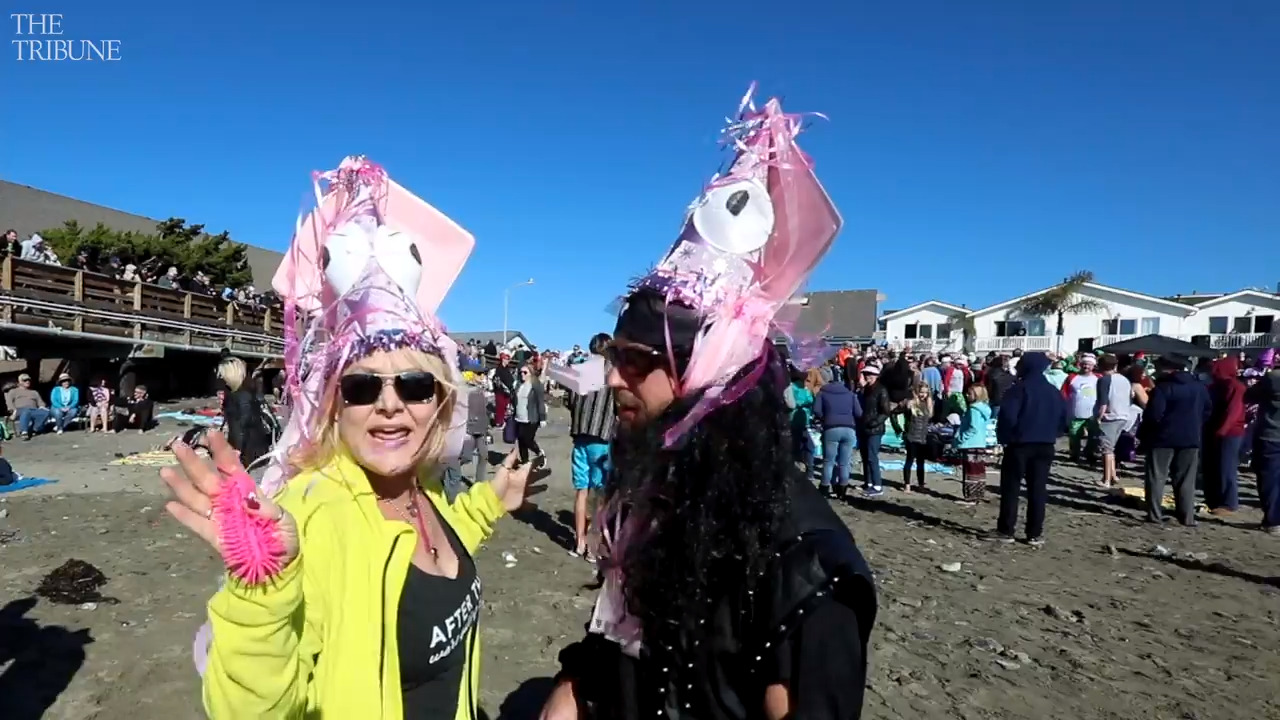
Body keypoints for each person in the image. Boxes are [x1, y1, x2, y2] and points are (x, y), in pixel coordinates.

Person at [540, 87, 876, 720]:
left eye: (638, 360)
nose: (613, 379)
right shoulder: (655, 497)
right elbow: (618, 640)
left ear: (709, 370)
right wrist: (574, 683)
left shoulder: (802, 561)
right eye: (614, 356)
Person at [166, 156, 534, 719]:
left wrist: (489, 503)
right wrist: (262, 591)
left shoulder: (422, 487)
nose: (389, 404)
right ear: (333, 406)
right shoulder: (312, 515)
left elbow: (415, 557)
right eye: (362, 388)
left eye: (414, 385)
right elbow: (253, 710)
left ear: (439, 403)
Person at [994, 352, 1069, 546]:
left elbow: (1008, 417)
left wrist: (1004, 438)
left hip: (1020, 444)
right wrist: (1053, 433)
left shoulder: (1018, 389)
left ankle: (1006, 530)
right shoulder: (1053, 391)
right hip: (1045, 445)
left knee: (1011, 488)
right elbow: (1065, 418)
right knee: (1038, 489)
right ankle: (1034, 533)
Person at [1140, 354, 1212, 528]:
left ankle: (1154, 514)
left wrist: (1145, 433)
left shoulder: (1163, 387)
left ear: (1167, 368)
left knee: (1157, 477)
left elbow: (1153, 415)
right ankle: (1187, 517)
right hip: (1190, 437)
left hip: (1162, 438)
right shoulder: (1199, 387)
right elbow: (1207, 411)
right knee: (1186, 480)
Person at [566, 333, 616, 559]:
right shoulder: (613, 372)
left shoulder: (580, 370)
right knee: (599, 496)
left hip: (580, 437)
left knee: (581, 491)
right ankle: (592, 549)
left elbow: (570, 401)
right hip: (602, 438)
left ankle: (579, 543)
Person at [1204, 356, 1247, 515]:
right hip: (1214, 430)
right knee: (1213, 467)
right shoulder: (1215, 386)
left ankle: (1229, 502)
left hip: (1230, 433)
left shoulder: (1235, 387)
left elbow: (1233, 412)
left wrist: (1222, 430)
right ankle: (1215, 500)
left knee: (1226, 467)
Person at [216, 356, 273, 469]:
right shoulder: (237, 391)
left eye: (222, 373)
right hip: (247, 447)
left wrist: (238, 449)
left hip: (248, 450)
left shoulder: (242, 395)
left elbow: (244, 424)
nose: (220, 376)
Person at [813, 367, 861, 498]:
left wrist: (825, 417)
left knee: (828, 461)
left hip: (831, 428)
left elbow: (817, 410)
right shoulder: (850, 393)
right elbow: (858, 413)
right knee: (844, 462)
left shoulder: (822, 393)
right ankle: (842, 490)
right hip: (849, 429)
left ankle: (824, 488)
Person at [1245, 363, 1280, 534]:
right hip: (1270, 434)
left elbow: (1249, 395)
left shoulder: (1273, 377)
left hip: (1270, 434)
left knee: (1269, 480)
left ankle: (1273, 520)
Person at [1093, 354, 1132, 488]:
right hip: (1123, 416)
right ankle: (1113, 475)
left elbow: (1103, 402)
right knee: (1111, 448)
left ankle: (1106, 480)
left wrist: (1098, 418)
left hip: (1110, 417)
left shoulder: (1104, 380)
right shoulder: (1124, 379)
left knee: (1106, 449)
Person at [855, 364, 892, 497]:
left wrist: (875, 422)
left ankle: (877, 485)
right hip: (864, 427)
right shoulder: (865, 390)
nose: (867, 377)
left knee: (872, 457)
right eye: (865, 374)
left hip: (875, 429)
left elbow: (886, 411)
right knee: (865, 456)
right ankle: (868, 482)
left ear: (876, 376)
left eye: (870, 375)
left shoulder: (881, 390)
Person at [954, 384, 993, 503]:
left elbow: (973, 427)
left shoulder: (973, 410)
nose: (967, 395)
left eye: (970, 393)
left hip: (970, 444)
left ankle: (970, 498)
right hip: (980, 443)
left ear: (977, 395)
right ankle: (978, 495)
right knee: (979, 471)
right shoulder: (984, 409)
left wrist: (960, 438)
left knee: (970, 471)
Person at [891, 381, 933, 492]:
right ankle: (907, 484)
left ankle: (921, 485)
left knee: (921, 462)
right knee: (909, 460)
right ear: (916, 392)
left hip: (923, 438)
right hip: (911, 436)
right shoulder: (910, 404)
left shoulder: (928, 405)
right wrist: (898, 429)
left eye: (925, 392)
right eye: (921, 392)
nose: (923, 395)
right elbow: (893, 413)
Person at [512, 363, 547, 465]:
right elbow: (514, 399)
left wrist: (542, 418)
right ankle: (525, 462)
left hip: (531, 418)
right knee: (521, 441)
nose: (522, 374)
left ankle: (539, 452)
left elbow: (540, 402)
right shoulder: (518, 385)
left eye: (525, 372)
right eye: (521, 372)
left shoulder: (535, 385)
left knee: (527, 439)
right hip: (519, 417)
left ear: (531, 373)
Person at [6, 373, 50, 440]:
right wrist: (13, 410)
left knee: (46, 412)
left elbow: (41, 402)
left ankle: (35, 429)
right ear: (20, 382)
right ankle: (24, 432)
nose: (27, 381)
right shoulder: (13, 391)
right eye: (25, 380)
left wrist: (42, 406)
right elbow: (9, 402)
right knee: (26, 411)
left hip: (33, 410)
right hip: (19, 410)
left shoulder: (34, 392)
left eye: (29, 380)